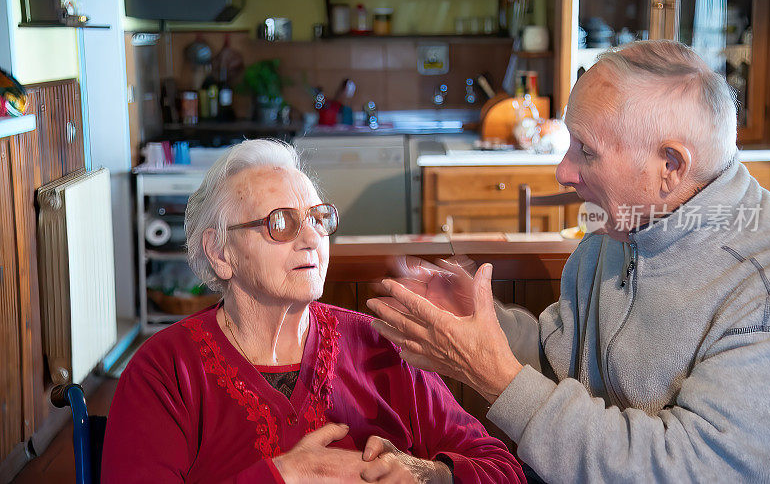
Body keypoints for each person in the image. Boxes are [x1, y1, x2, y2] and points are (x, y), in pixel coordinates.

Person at [367, 40, 770, 483]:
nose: (563, 171)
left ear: (670, 164)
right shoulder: (617, 231)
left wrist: (496, 377)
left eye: (586, 151)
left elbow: (688, 469)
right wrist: (477, 322)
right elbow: (558, 362)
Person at [101, 140, 525, 483]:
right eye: (280, 223)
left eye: (319, 219)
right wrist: (282, 475)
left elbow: (501, 470)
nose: (311, 239)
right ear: (220, 252)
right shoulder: (164, 372)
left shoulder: (381, 346)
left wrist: (430, 474)